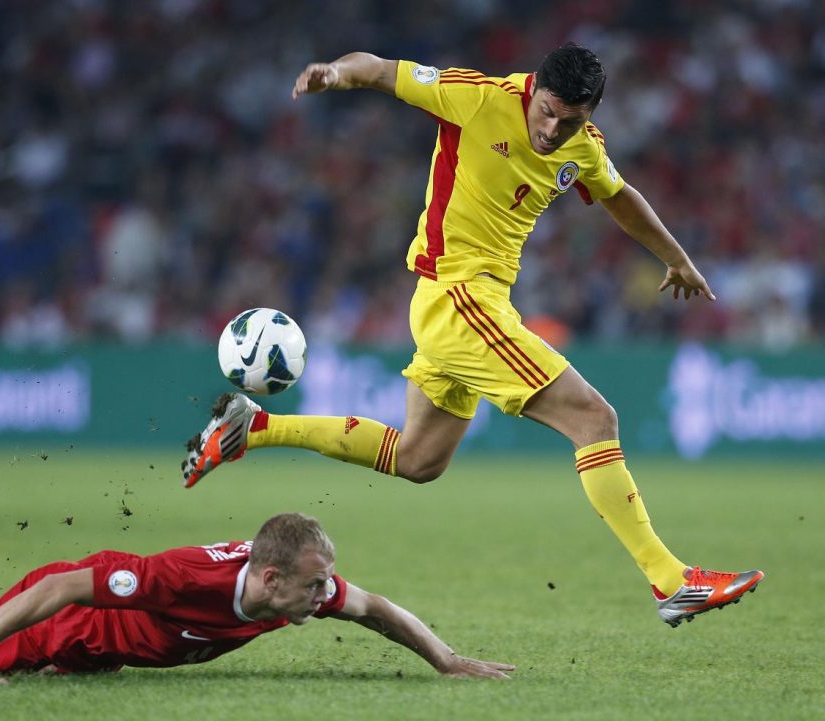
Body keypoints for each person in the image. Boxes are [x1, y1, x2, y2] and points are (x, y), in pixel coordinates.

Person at [180, 44, 764, 627]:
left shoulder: (584, 147)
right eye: (547, 111)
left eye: (572, 120)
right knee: (594, 419)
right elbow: (380, 70)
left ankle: (253, 428)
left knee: (419, 459)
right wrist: (335, 73)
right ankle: (670, 580)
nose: (553, 129)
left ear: (593, 113)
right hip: (460, 297)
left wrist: (677, 258)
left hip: (463, 307)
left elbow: (619, 197)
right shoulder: (478, 96)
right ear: (534, 89)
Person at [0, 513, 513, 683]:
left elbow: (378, 607)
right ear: (270, 581)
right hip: (67, 622)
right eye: (315, 584)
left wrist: (448, 660)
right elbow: (56, 587)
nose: (327, 595)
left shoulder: (297, 591)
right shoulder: (182, 577)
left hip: (105, 653)